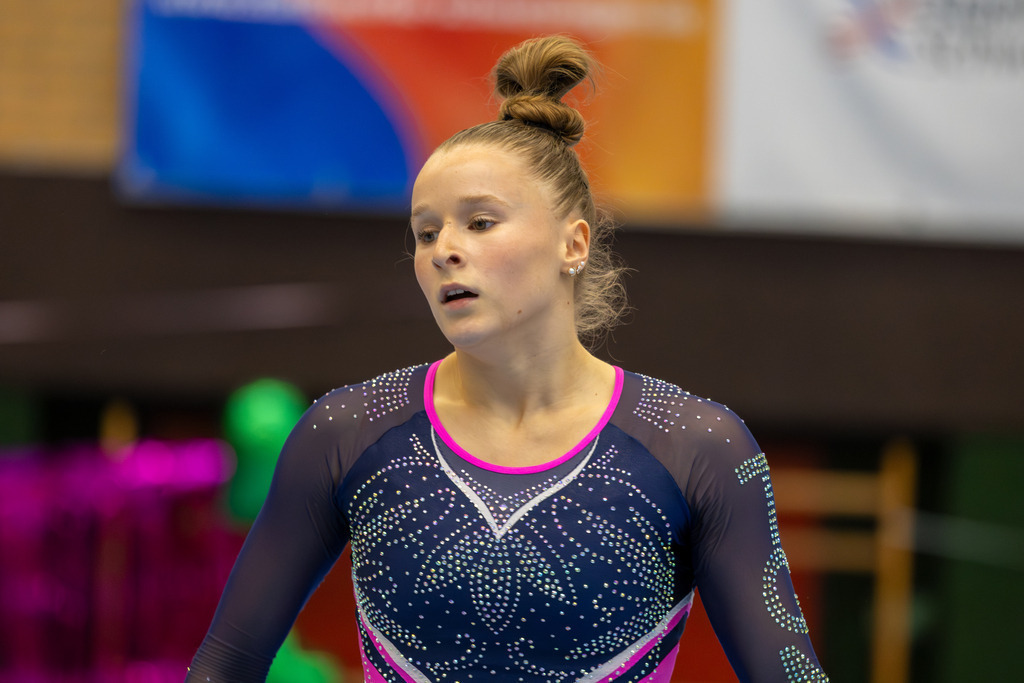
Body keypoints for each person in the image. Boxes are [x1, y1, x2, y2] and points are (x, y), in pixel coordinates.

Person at [186, 35, 828, 682]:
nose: (444, 250)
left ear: (572, 242)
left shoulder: (694, 446)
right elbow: (223, 666)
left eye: (481, 222)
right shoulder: (349, 431)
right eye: (426, 231)